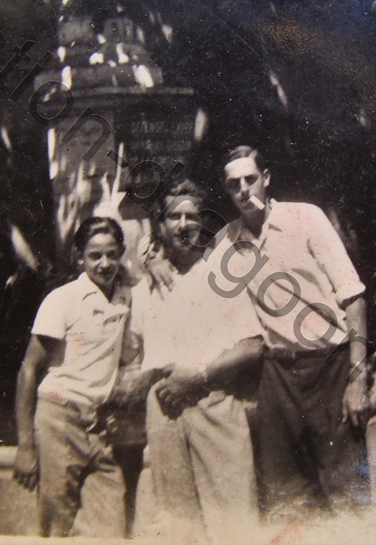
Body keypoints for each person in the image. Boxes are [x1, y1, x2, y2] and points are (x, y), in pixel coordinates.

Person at [205, 145, 371, 518]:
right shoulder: (225, 243)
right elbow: (192, 278)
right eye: (234, 185)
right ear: (227, 192)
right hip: (276, 375)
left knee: (345, 491)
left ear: (266, 180)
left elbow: (354, 298)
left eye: (251, 179)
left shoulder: (306, 219)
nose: (244, 190)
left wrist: (358, 380)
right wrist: (153, 262)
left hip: (330, 365)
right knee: (286, 496)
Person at [127, 180, 264, 542]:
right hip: (164, 410)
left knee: (233, 519)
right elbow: (137, 355)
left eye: (192, 215)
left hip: (215, 402)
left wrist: (201, 375)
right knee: (176, 523)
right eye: (174, 215)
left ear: (203, 222)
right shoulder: (144, 288)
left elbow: (252, 345)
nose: (184, 223)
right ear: (161, 224)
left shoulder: (222, 275)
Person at [12, 217, 133, 538]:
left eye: (111, 254)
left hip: (97, 424)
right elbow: (28, 369)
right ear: (79, 257)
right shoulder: (62, 299)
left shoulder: (124, 297)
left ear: (121, 253)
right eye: (95, 256)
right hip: (58, 420)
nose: (105, 263)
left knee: (111, 514)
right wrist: (25, 446)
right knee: (57, 523)